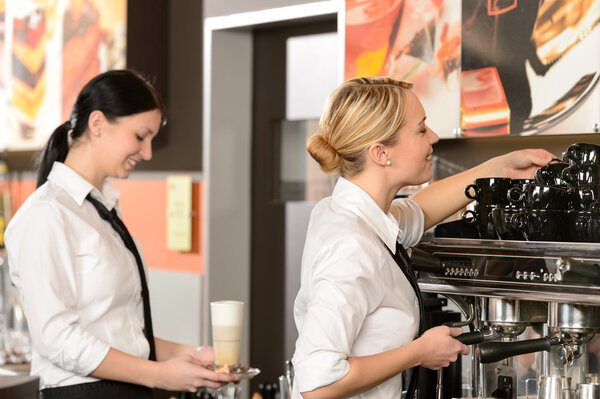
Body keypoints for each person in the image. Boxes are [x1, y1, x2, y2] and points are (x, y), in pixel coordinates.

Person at [291, 76, 555, 399]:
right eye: (421, 129)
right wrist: (419, 352)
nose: (434, 136)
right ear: (380, 153)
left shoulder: (352, 212)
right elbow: (317, 383)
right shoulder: (351, 245)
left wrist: (501, 168)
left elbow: (419, 211)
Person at [5, 70, 237, 398]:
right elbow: (55, 338)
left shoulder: (101, 210)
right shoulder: (46, 214)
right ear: (98, 124)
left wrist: (195, 356)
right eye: (141, 136)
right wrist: (161, 375)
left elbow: (119, 334)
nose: (148, 152)